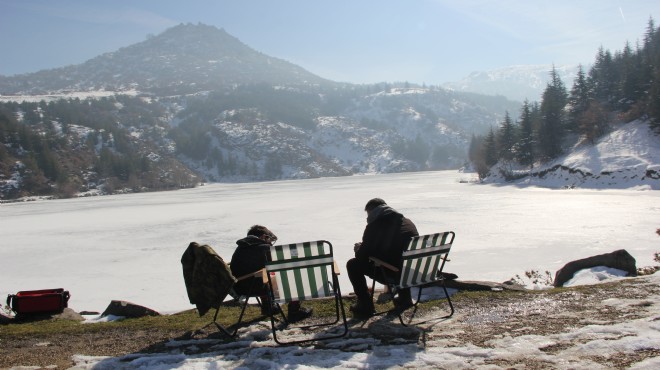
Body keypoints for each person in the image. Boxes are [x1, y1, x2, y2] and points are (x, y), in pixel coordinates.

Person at [346, 198, 419, 318]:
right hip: (412, 272)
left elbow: (362, 258)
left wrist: (359, 249)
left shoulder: (375, 226)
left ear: (372, 211)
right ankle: (405, 298)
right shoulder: (407, 222)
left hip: (392, 273)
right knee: (400, 259)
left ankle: (365, 305)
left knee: (353, 265)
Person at [230, 225, 313, 322]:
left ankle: (268, 307)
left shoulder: (240, 249)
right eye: (270, 240)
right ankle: (294, 312)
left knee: (263, 274)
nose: (271, 243)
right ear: (264, 237)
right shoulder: (264, 248)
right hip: (256, 287)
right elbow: (284, 262)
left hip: (239, 287)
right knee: (292, 274)